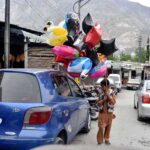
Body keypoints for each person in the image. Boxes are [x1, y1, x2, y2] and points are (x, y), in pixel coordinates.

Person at [97, 79, 116, 145]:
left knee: (108, 127)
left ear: (107, 86)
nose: (101, 88)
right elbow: (98, 103)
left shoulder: (112, 93)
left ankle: (107, 139)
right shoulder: (100, 93)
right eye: (101, 86)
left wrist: (108, 96)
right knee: (101, 127)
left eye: (102, 86)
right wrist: (103, 100)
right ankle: (100, 140)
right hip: (102, 113)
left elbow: (113, 102)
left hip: (109, 113)